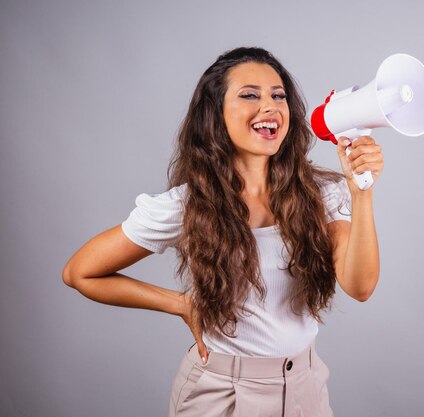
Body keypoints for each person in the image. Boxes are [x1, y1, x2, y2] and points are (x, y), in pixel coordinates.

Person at [62, 46, 384, 417]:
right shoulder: (188, 205)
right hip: (221, 393)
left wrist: (362, 193)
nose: (270, 106)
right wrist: (182, 305)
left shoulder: (322, 194)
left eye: (278, 95)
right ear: (215, 114)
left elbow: (360, 286)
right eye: (249, 95)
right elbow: (79, 272)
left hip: (305, 389)